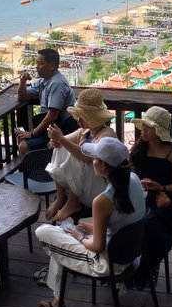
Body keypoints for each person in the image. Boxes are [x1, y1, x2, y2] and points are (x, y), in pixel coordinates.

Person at [35, 137, 147, 307]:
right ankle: (56, 302)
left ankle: (57, 301)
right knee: (65, 235)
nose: (91, 162)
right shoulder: (133, 180)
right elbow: (124, 222)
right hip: (131, 254)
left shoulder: (102, 200)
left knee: (44, 232)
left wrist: (80, 237)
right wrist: (93, 229)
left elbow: (97, 247)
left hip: (106, 263)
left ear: (103, 166)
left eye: (94, 159)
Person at [130, 106, 172, 290]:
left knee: (149, 226)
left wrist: (160, 187)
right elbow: (132, 176)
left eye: (148, 127)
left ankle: (146, 267)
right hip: (140, 199)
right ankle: (126, 265)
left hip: (164, 204)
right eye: (143, 126)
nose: (143, 131)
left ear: (159, 130)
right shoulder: (139, 149)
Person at [44, 88, 117, 224]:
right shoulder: (84, 132)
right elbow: (61, 142)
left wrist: (61, 139)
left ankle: (73, 202)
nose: (78, 120)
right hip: (84, 186)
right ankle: (61, 197)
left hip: (100, 189)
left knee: (75, 153)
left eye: (81, 117)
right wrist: (55, 139)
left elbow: (87, 156)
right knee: (60, 148)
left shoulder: (107, 135)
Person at [16, 47, 78, 154]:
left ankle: (36, 169)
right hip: (51, 128)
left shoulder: (57, 84)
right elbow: (23, 97)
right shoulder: (44, 81)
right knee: (21, 138)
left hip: (63, 131)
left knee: (24, 146)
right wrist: (22, 82)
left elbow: (52, 115)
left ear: (52, 65)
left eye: (40, 64)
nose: (37, 67)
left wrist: (33, 134)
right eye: (37, 63)